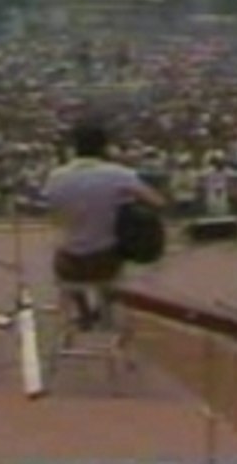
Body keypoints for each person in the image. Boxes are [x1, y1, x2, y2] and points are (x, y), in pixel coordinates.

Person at [43, 120, 165, 327]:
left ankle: (84, 313)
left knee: (67, 254)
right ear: (105, 147)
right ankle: (105, 310)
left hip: (69, 263)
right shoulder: (118, 174)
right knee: (110, 256)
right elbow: (158, 202)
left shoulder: (55, 177)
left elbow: (52, 209)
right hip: (105, 261)